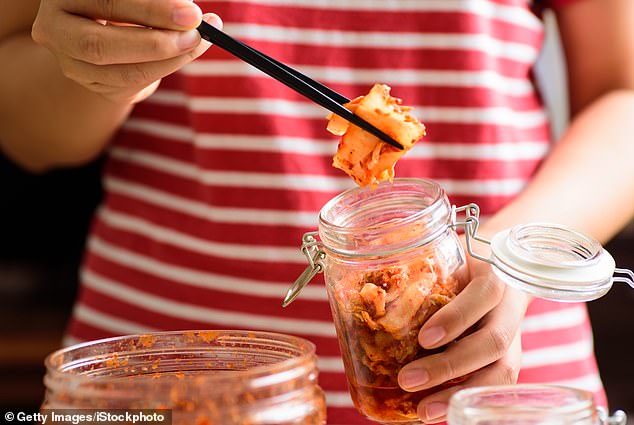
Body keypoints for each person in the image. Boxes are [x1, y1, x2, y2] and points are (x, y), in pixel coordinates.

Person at [1, 0, 633, 423]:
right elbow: (24, 131)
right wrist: (97, 63)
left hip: (500, 379)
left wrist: (512, 256)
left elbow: (623, 96)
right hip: (158, 377)